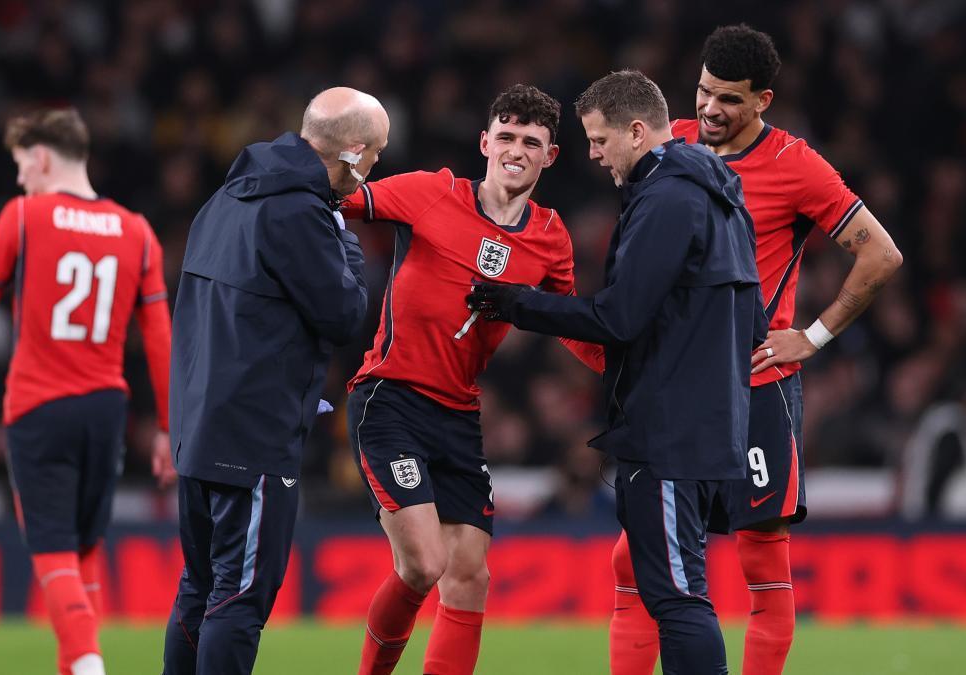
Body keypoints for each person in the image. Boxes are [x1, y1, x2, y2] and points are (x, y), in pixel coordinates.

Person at [604, 25, 905, 675]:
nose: (710, 109)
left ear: (763, 100)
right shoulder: (669, 140)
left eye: (729, 100)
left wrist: (812, 336)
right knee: (637, 559)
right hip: (674, 387)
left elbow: (881, 253)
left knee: (762, 561)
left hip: (755, 388)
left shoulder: (796, 166)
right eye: (704, 92)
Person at [467, 70, 761, 675]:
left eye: (599, 140)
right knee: (673, 590)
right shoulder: (722, 197)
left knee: (678, 598)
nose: (593, 154)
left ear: (634, 130)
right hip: (710, 423)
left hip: (672, 432)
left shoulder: (668, 199)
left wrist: (517, 302)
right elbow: (752, 322)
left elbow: (620, 315)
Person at [342, 84, 603, 675]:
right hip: (391, 398)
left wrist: (629, 375)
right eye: (506, 137)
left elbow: (569, 325)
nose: (516, 150)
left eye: (531, 142)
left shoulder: (550, 239)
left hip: (459, 415)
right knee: (423, 564)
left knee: (471, 577)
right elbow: (336, 200)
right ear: (484, 142)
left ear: (550, 156)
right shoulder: (428, 193)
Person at [162, 87, 384, 675]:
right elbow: (342, 313)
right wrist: (347, 241)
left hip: (198, 420)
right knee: (238, 597)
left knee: (200, 584)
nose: (376, 169)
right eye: (377, 155)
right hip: (254, 433)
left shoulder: (227, 196)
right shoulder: (300, 212)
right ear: (354, 152)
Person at [0, 108, 174, 675]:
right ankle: (75, 663)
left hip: (39, 405)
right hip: (107, 407)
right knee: (86, 553)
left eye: (20, 164)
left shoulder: (24, 216)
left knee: (52, 551)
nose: (19, 177)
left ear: (44, 157)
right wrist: (169, 427)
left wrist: (1, 268)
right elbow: (159, 338)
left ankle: (86, 664)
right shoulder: (138, 230)